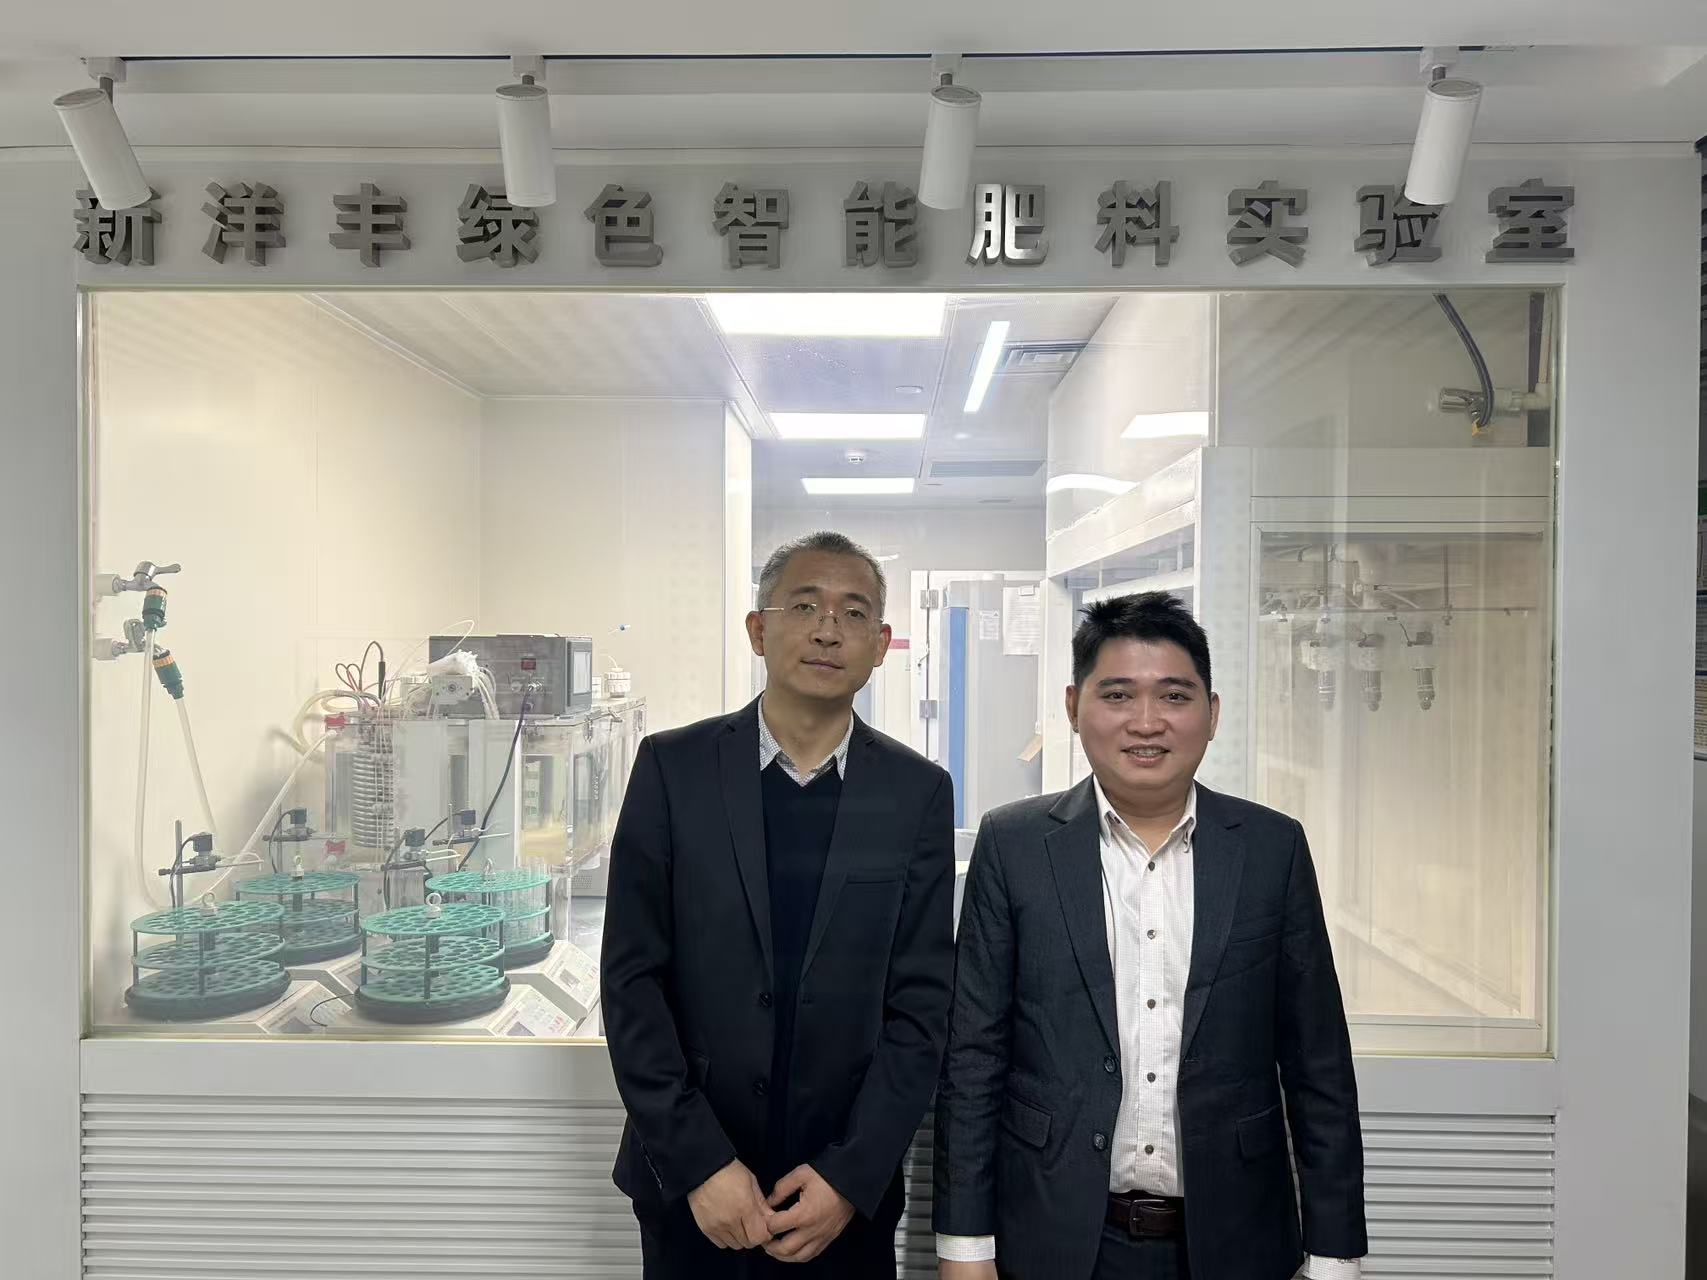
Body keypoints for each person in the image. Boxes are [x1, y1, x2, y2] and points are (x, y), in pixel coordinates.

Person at [934, 592, 1367, 1280]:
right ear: (1074, 707)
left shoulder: (1271, 848)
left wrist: (1335, 1255)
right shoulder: (1013, 845)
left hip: (1235, 1240)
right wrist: (965, 1245)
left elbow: (1318, 1064)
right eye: (1117, 695)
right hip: (1053, 1235)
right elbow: (973, 1057)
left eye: (1173, 695)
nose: (1145, 721)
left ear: (1212, 713)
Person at [602, 530, 955, 1279]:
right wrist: (700, 1163)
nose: (828, 629)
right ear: (758, 630)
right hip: (692, 1193)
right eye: (804, 606)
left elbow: (921, 1006)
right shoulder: (672, 769)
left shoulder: (917, 792)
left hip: (840, 1203)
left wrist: (849, 1176)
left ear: (882, 644)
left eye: (853, 613)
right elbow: (631, 981)